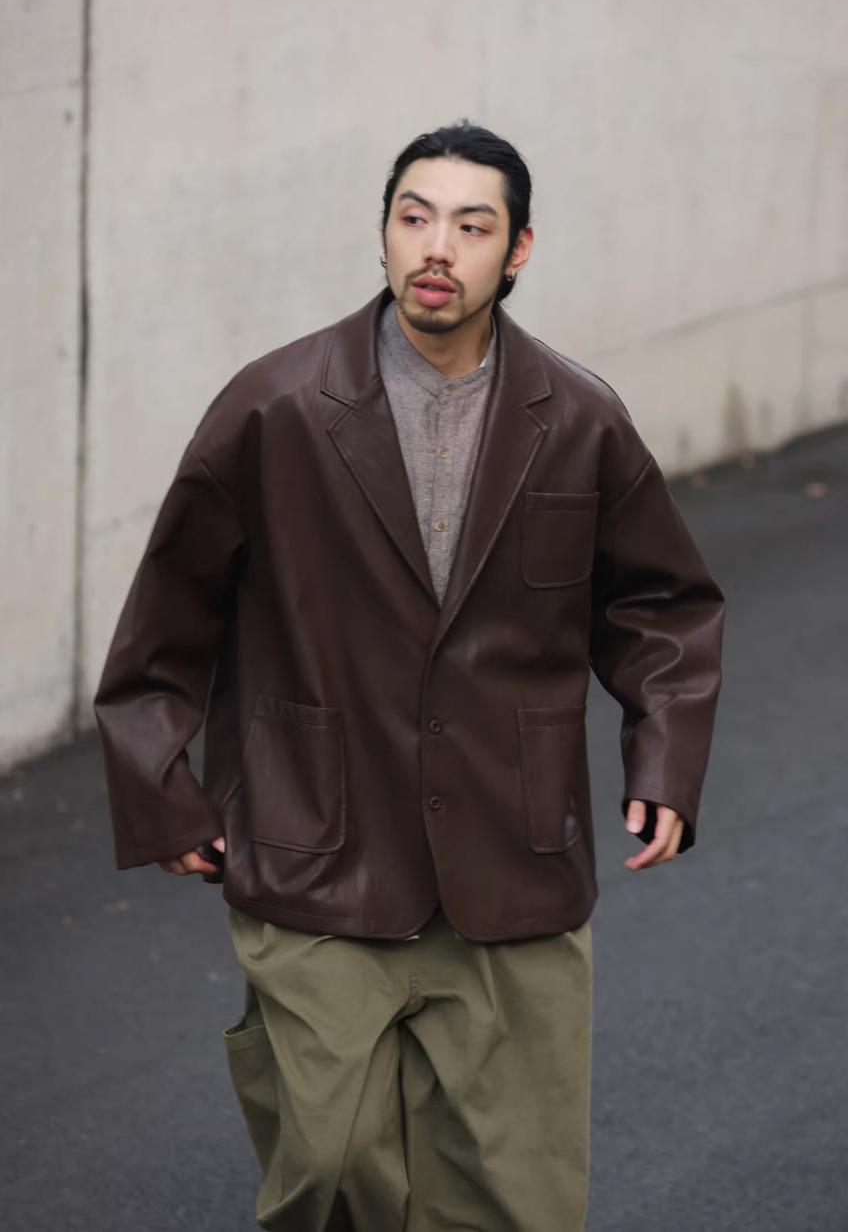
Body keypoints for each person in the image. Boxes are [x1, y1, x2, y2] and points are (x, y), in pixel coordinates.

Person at [95, 121, 725, 1232]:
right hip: (316, 843)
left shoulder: (578, 417)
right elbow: (170, 609)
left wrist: (665, 759)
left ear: (517, 250)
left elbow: (661, 604)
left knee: (512, 1198)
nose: (436, 247)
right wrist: (161, 786)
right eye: (413, 217)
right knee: (330, 1176)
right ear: (384, 232)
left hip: (512, 853)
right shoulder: (276, 406)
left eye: (471, 227)